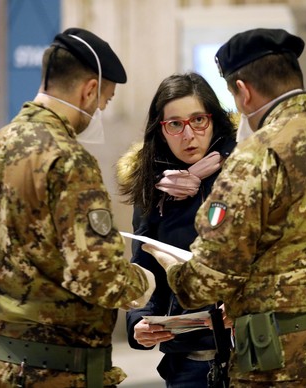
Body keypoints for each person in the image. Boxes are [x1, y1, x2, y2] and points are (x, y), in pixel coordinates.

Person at [142, 28, 306, 387]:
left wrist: (174, 269)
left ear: (243, 91)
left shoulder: (256, 156)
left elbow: (206, 281)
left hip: (282, 364)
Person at [0, 27, 155, 388]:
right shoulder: (69, 161)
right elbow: (98, 275)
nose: (100, 109)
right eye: (104, 100)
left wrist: (18, 287)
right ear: (88, 90)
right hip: (60, 371)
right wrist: (142, 283)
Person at [116, 72, 236, 387]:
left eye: (198, 120)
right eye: (175, 124)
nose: (189, 135)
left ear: (215, 120)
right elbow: (144, 266)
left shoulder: (242, 175)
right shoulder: (153, 190)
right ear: (161, 130)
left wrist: (245, 302)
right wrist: (139, 322)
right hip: (186, 361)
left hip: (249, 351)